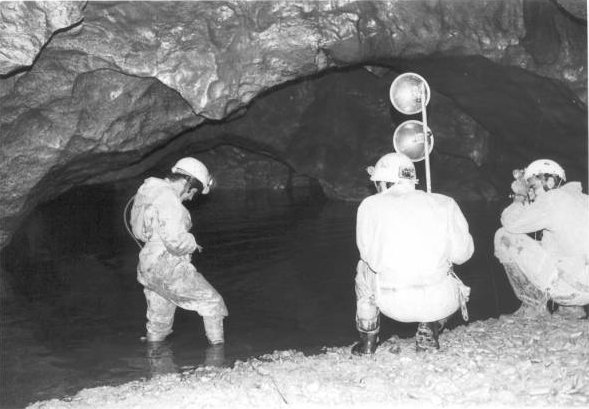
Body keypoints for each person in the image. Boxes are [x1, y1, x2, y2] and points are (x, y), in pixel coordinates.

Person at [353, 152, 474, 354]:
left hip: (392, 302)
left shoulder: (370, 205)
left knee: (363, 267)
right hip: (440, 302)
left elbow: (368, 256)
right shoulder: (445, 203)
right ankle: (430, 325)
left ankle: (368, 342)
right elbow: (463, 255)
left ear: (383, 182)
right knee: (445, 270)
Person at [129, 157, 228, 344]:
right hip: (167, 266)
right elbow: (176, 243)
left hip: (147, 265)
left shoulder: (148, 191)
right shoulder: (168, 198)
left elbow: (139, 231)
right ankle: (218, 355)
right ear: (188, 182)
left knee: (159, 323)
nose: (191, 197)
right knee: (212, 302)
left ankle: (155, 358)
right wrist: (192, 243)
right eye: (194, 192)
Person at [494, 159, 589, 316]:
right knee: (552, 245)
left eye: (533, 187)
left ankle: (533, 306)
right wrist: (530, 199)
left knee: (503, 235)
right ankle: (571, 309)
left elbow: (511, 223)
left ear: (550, 182)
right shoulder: (581, 198)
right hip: (582, 287)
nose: (531, 191)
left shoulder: (553, 198)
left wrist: (520, 196)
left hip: (570, 289)